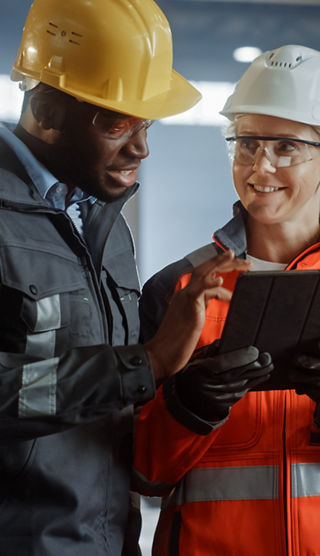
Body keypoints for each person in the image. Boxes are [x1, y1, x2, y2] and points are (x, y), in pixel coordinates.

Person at [0, 0, 274, 554]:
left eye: (146, 123)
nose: (141, 147)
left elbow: (102, 401)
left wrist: (184, 383)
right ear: (49, 110)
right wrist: (145, 362)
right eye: (117, 122)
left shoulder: (105, 224)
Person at [133, 44, 320, 555]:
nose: (259, 166)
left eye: (286, 147)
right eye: (246, 143)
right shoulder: (180, 290)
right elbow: (141, 472)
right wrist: (189, 407)